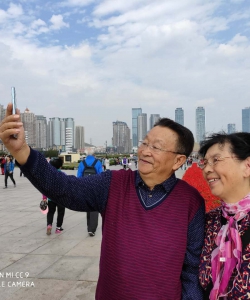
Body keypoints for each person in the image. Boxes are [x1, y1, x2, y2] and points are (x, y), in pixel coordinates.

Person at [0, 105, 205, 300]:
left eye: (156, 147)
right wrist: (22, 151)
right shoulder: (113, 183)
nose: (145, 151)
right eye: (144, 143)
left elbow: (191, 271)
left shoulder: (190, 201)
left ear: (179, 161)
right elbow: (65, 189)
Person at [198, 132, 250, 299]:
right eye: (205, 163)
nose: (206, 169)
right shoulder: (209, 221)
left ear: (247, 166)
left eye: (216, 160)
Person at [77, 152, 103, 237]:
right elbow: (101, 176)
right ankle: (92, 229)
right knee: (94, 208)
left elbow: (79, 176)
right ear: (94, 155)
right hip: (95, 188)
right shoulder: (98, 162)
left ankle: (89, 227)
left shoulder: (82, 163)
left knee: (88, 207)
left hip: (85, 188)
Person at [43, 158, 66, 235]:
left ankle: (49, 225)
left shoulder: (48, 176)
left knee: (50, 212)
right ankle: (58, 228)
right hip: (61, 198)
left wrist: (44, 198)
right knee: (61, 212)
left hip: (51, 198)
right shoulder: (63, 175)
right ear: (60, 166)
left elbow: (44, 188)